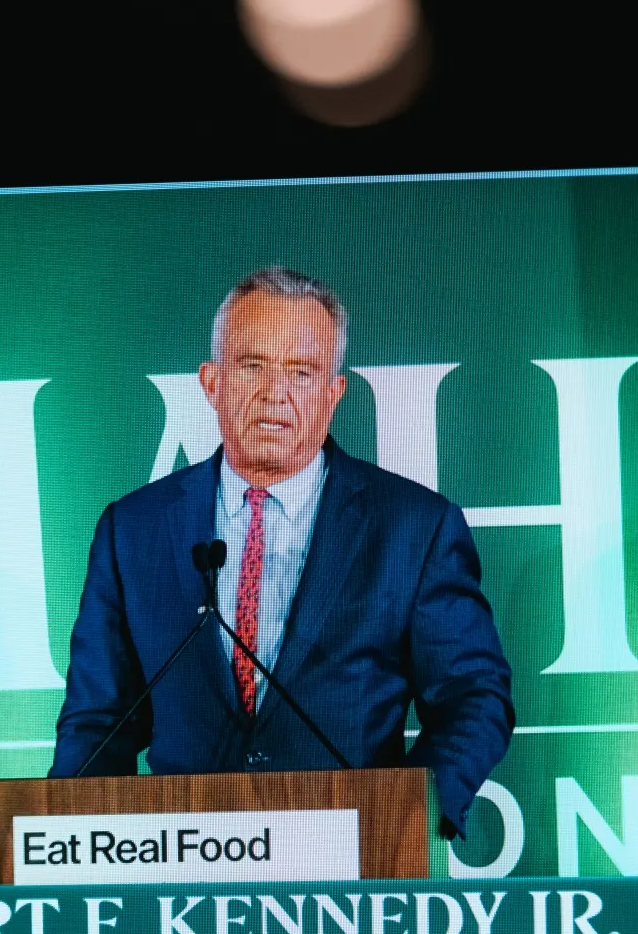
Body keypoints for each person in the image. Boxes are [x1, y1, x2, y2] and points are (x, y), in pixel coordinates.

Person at [49, 266, 514, 836]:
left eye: (302, 371)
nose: (276, 394)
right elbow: (98, 722)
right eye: (252, 366)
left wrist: (407, 817)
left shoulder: (414, 527)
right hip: (181, 861)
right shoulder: (135, 530)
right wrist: (74, 841)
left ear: (335, 393)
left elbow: (474, 698)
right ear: (211, 382)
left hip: (352, 864)